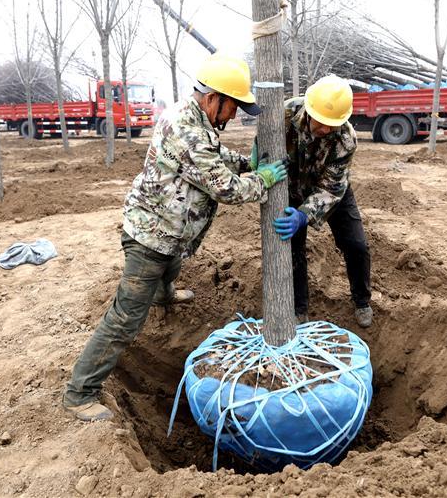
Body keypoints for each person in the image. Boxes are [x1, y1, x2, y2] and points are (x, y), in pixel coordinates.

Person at [62, 53, 288, 421]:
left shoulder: (196, 120)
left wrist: (247, 163)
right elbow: (226, 189)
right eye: (233, 107)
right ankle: (79, 393)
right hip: (149, 238)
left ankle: (164, 295)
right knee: (125, 319)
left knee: (172, 265)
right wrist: (261, 178)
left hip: (168, 233)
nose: (234, 116)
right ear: (214, 97)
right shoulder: (190, 130)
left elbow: (214, 156)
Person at [267, 75, 373, 329]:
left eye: (332, 125)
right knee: (292, 247)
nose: (325, 129)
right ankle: (299, 309)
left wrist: (304, 215)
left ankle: (362, 301)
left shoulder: (346, 138)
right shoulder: (284, 114)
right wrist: (259, 156)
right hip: (291, 187)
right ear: (309, 109)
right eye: (321, 122)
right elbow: (264, 143)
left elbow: (331, 187)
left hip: (331, 190)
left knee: (356, 245)